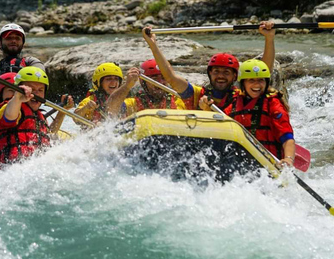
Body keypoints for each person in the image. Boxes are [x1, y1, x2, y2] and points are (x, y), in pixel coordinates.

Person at [141, 21, 276, 110]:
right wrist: (153, 45)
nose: (220, 76)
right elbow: (170, 78)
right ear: (209, 74)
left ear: (235, 76)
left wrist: (269, 38)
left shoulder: (242, 95)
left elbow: (263, 72)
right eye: (216, 71)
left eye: (226, 72)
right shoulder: (195, 94)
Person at [0, 67, 67, 166]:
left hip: (33, 169)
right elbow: (10, 116)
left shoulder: (38, 115)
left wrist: (63, 111)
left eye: (40, 90)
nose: (36, 94)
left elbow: (50, 134)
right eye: (31, 89)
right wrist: (17, 98)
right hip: (7, 169)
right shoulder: (10, 107)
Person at [221, 59, 295, 166]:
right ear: (243, 83)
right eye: (251, 80)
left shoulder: (273, 104)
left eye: (261, 80)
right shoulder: (232, 102)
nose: (257, 84)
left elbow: (287, 138)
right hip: (239, 162)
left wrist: (288, 159)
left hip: (268, 162)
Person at [106, 59, 186, 117]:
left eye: (163, 78)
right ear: (144, 83)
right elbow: (111, 107)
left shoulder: (179, 100)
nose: (160, 82)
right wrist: (127, 85)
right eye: (154, 79)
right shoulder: (133, 104)